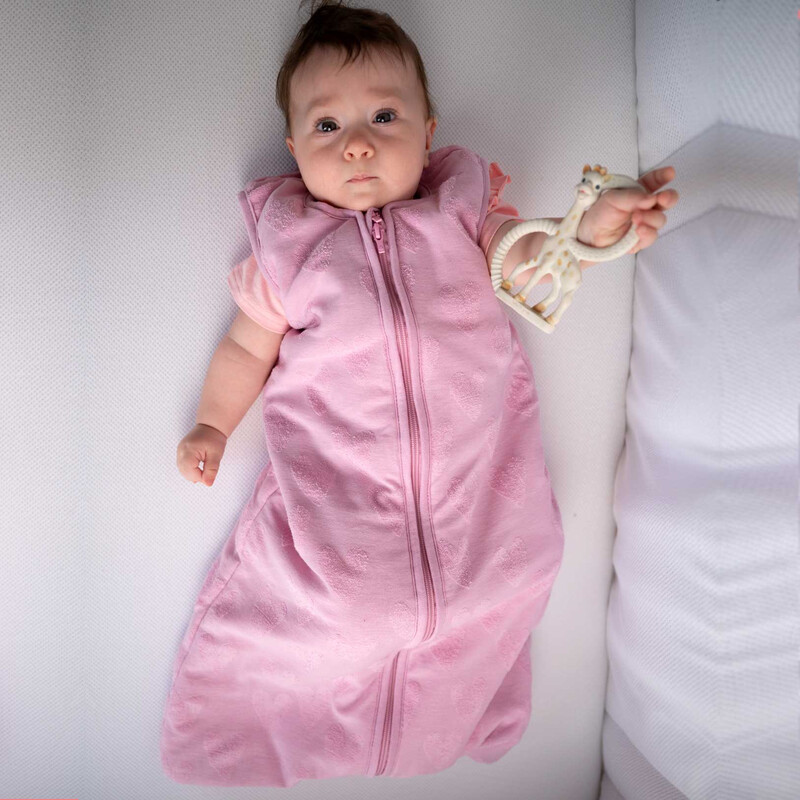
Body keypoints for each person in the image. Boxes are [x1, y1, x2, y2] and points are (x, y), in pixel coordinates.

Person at [162, 0, 679, 787]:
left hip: (478, 492)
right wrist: (212, 424)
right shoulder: (289, 252)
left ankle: (449, 716)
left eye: (384, 116)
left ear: (429, 132)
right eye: (327, 126)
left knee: (499, 587)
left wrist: (593, 229)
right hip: (345, 494)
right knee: (340, 616)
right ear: (294, 147)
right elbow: (244, 348)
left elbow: (530, 256)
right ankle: (252, 728)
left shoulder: (461, 215)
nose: (358, 142)